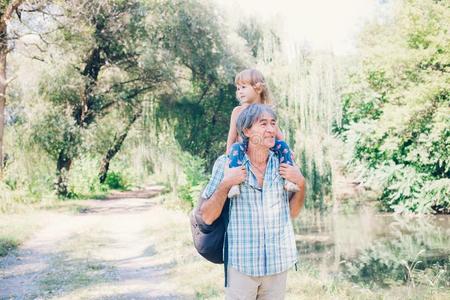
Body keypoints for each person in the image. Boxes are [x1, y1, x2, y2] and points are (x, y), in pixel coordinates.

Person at [200, 104, 306, 299]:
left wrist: (301, 182)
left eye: (273, 123)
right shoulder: (226, 164)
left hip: (278, 264)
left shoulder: (285, 163)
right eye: (263, 123)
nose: (271, 129)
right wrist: (226, 185)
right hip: (241, 265)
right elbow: (206, 216)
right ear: (247, 131)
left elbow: (293, 213)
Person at [226, 68, 299, 198]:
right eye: (237, 88)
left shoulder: (267, 110)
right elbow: (231, 136)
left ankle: (288, 180)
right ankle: (234, 185)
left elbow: (275, 131)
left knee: (282, 146)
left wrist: (287, 147)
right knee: (235, 148)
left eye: (243, 87)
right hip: (244, 148)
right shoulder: (238, 111)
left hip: (265, 149)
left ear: (258, 88)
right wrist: (227, 155)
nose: (239, 91)